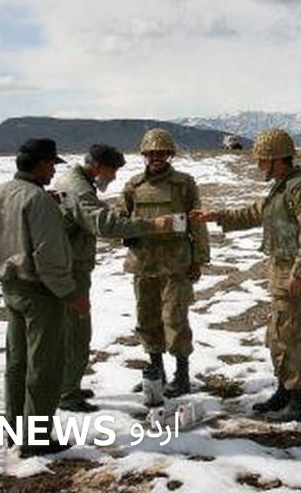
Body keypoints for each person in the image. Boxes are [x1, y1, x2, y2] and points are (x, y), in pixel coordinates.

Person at [190, 128, 301, 424]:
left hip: (293, 272)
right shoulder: (281, 187)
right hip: (281, 269)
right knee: (278, 334)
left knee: (290, 335)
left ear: (278, 159)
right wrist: (217, 216)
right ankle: (285, 392)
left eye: (263, 160)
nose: (260, 165)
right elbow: (255, 213)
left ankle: (299, 404)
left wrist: (300, 273)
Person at [52, 143, 174, 412]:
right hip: (70, 268)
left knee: (71, 330)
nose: (114, 177)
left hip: (68, 262)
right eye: (113, 171)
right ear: (98, 166)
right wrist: (151, 225)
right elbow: (103, 224)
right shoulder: (79, 188)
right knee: (76, 332)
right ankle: (67, 394)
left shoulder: (75, 182)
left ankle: (68, 385)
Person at [0, 138, 74, 457]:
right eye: (51, 164)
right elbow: (48, 256)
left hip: (10, 287)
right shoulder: (37, 199)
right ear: (40, 164)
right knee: (44, 366)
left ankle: (14, 428)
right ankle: (35, 439)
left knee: (17, 363)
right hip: (40, 293)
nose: (54, 171)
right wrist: (67, 292)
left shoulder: (1, 192)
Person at [121, 129, 210, 406]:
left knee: (175, 319)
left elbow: (197, 222)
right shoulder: (133, 186)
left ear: (169, 154)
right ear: (144, 155)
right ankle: (156, 372)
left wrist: (199, 259)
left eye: (161, 153)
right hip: (144, 264)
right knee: (147, 319)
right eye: (151, 153)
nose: (156, 157)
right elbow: (121, 220)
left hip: (176, 265)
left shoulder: (184, 184)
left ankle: (182, 376)